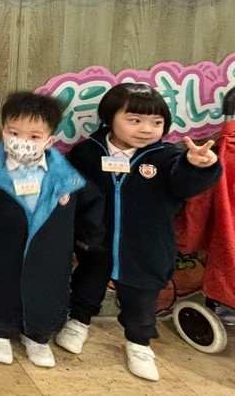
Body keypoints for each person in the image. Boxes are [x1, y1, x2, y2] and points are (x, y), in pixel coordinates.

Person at [55, 83, 221, 381]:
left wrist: (197, 167)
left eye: (156, 122)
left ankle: (139, 343)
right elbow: (74, 188)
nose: (146, 129)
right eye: (135, 120)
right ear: (109, 118)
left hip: (147, 245)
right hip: (96, 241)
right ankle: (78, 322)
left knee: (142, 298)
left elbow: (184, 185)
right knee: (86, 283)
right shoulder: (88, 152)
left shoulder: (168, 157)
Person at [0, 91, 104, 370]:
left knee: (48, 291)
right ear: (3, 130)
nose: (23, 140)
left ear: (50, 139)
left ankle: (38, 336)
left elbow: (90, 206)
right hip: (1, 248)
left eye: (34, 136)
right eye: (14, 132)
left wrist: (87, 240)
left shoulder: (67, 176)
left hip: (50, 253)